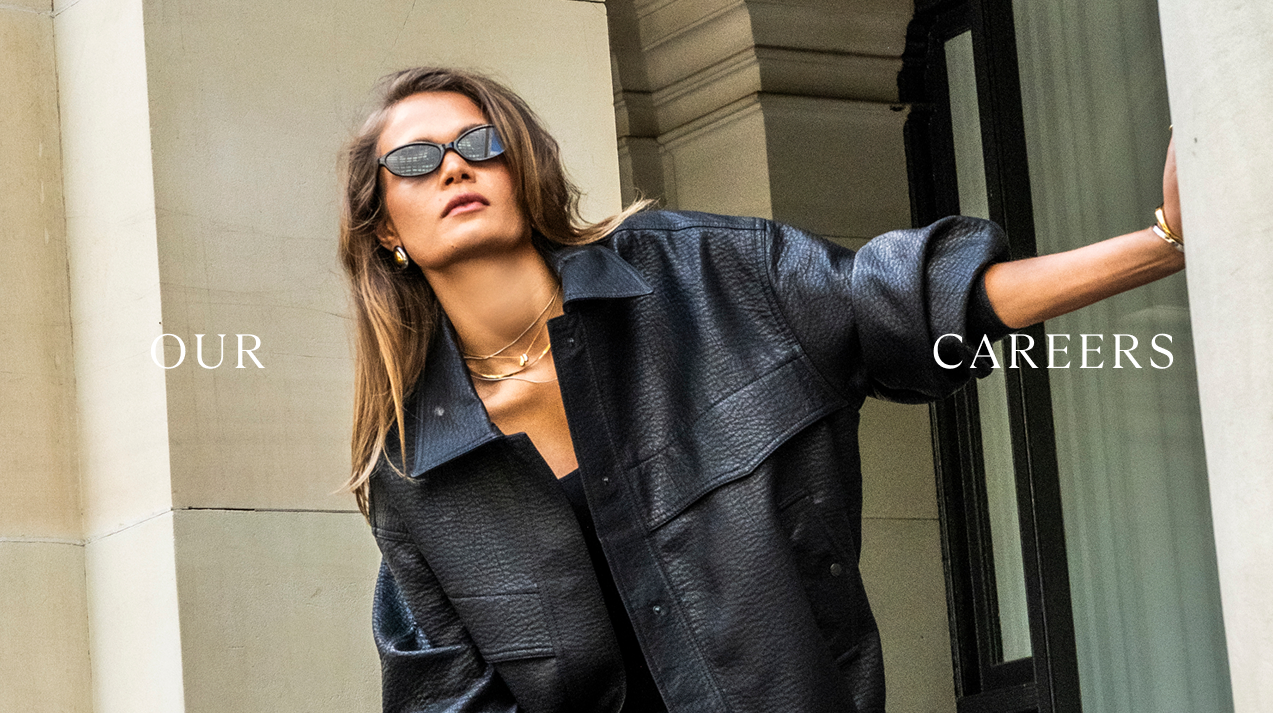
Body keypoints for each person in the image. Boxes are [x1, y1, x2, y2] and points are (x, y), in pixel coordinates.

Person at [337, 67, 1185, 713]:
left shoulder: (710, 280)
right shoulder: (413, 474)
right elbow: (446, 696)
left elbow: (911, 300)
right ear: (382, 228)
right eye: (415, 160)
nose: (455, 167)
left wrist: (1160, 242)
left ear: (519, 169)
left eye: (479, 142)